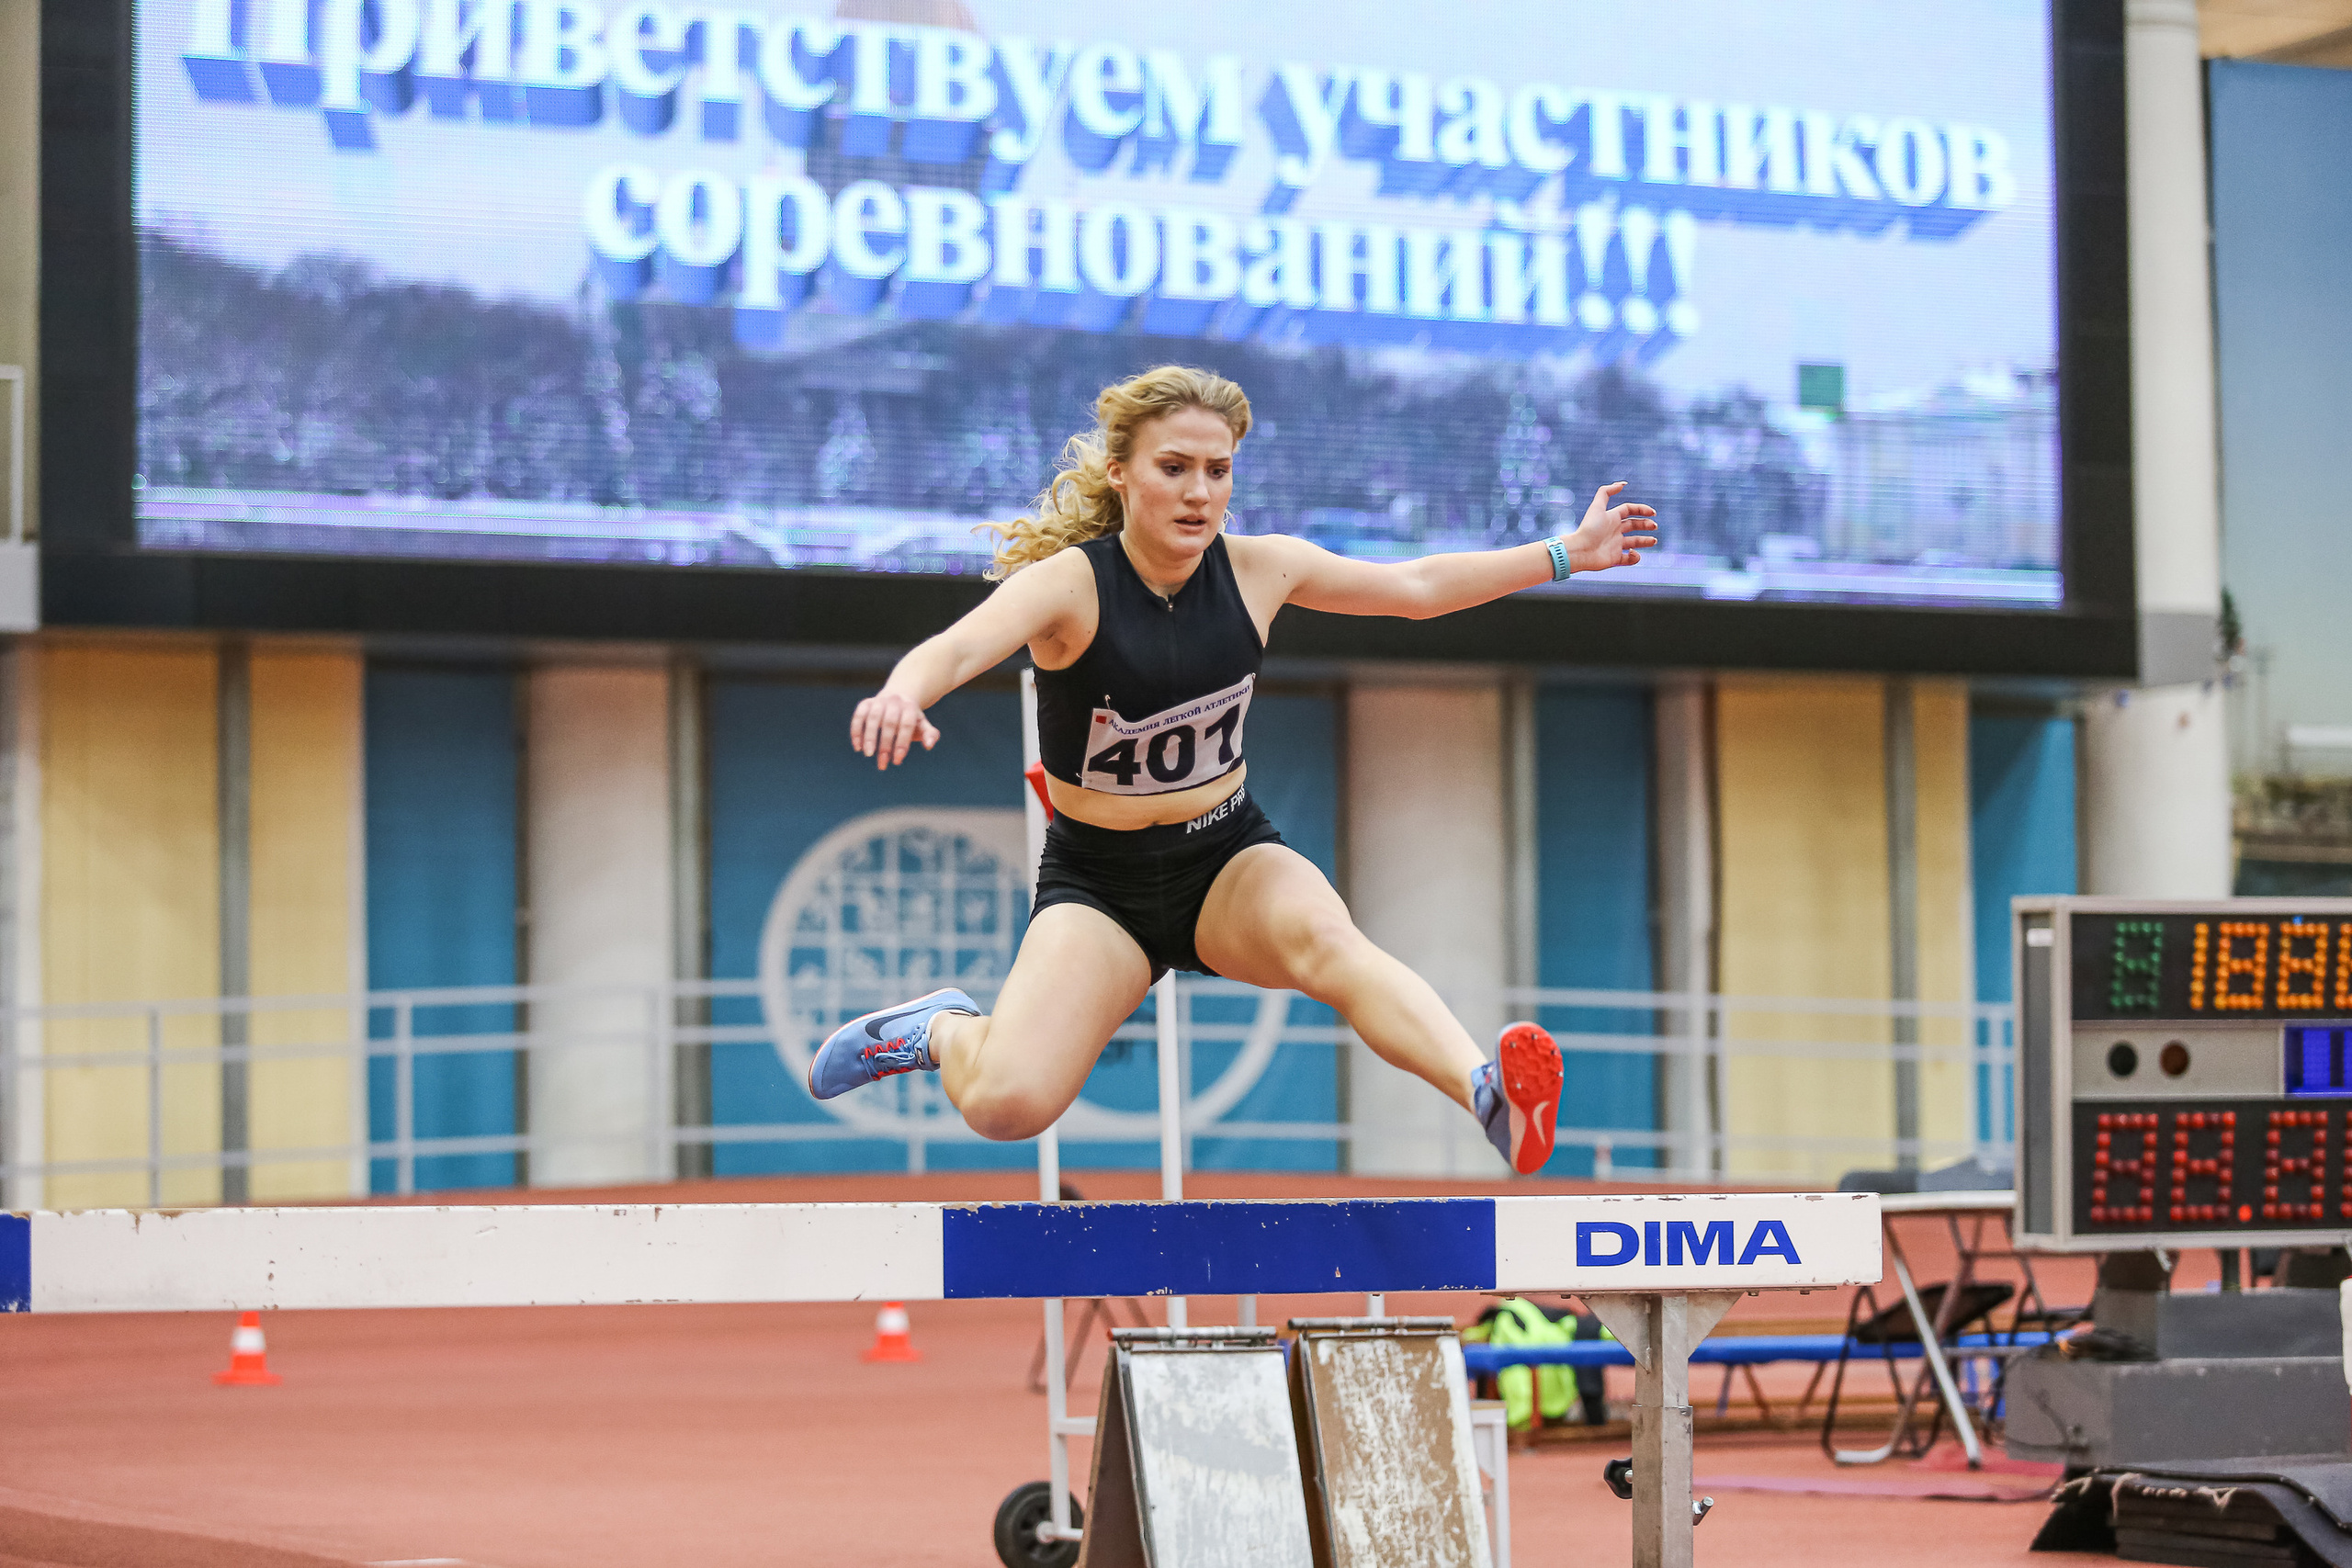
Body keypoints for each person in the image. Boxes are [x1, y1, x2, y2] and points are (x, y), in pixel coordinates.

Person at [807, 365, 1658, 1175]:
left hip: (1227, 857)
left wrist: (1564, 554)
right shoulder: (1070, 585)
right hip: (1101, 884)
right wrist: (901, 692)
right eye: (1173, 468)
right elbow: (961, 643)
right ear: (1121, 474)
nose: (1199, 492)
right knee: (1006, 1106)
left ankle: (1490, 1098)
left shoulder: (1261, 568)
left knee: (1332, 945)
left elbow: (1419, 586)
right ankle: (942, 1029)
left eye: (1218, 470)